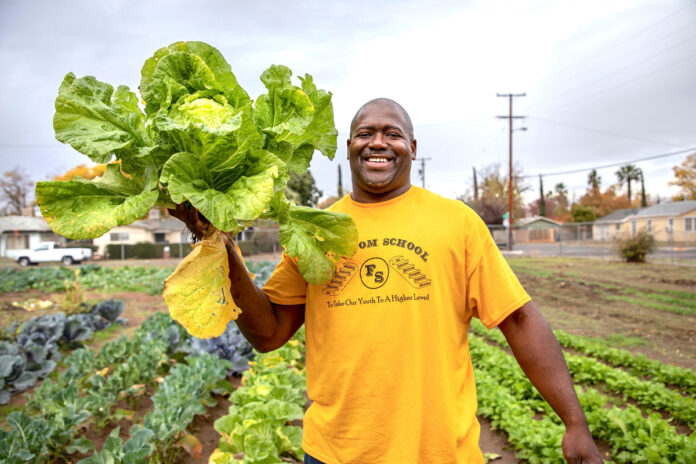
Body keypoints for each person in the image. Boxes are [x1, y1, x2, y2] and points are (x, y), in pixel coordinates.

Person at [172, 98, 603, 464]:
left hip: (440, 453)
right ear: (349, 147)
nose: (378, 142)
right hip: (335, 452)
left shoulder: (457, 223)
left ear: (412, 147)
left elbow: (520, 320)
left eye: (392, 134)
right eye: (365, 133)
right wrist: (219, 242)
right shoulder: (315, 229)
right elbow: (268, 334)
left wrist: (576, 422)